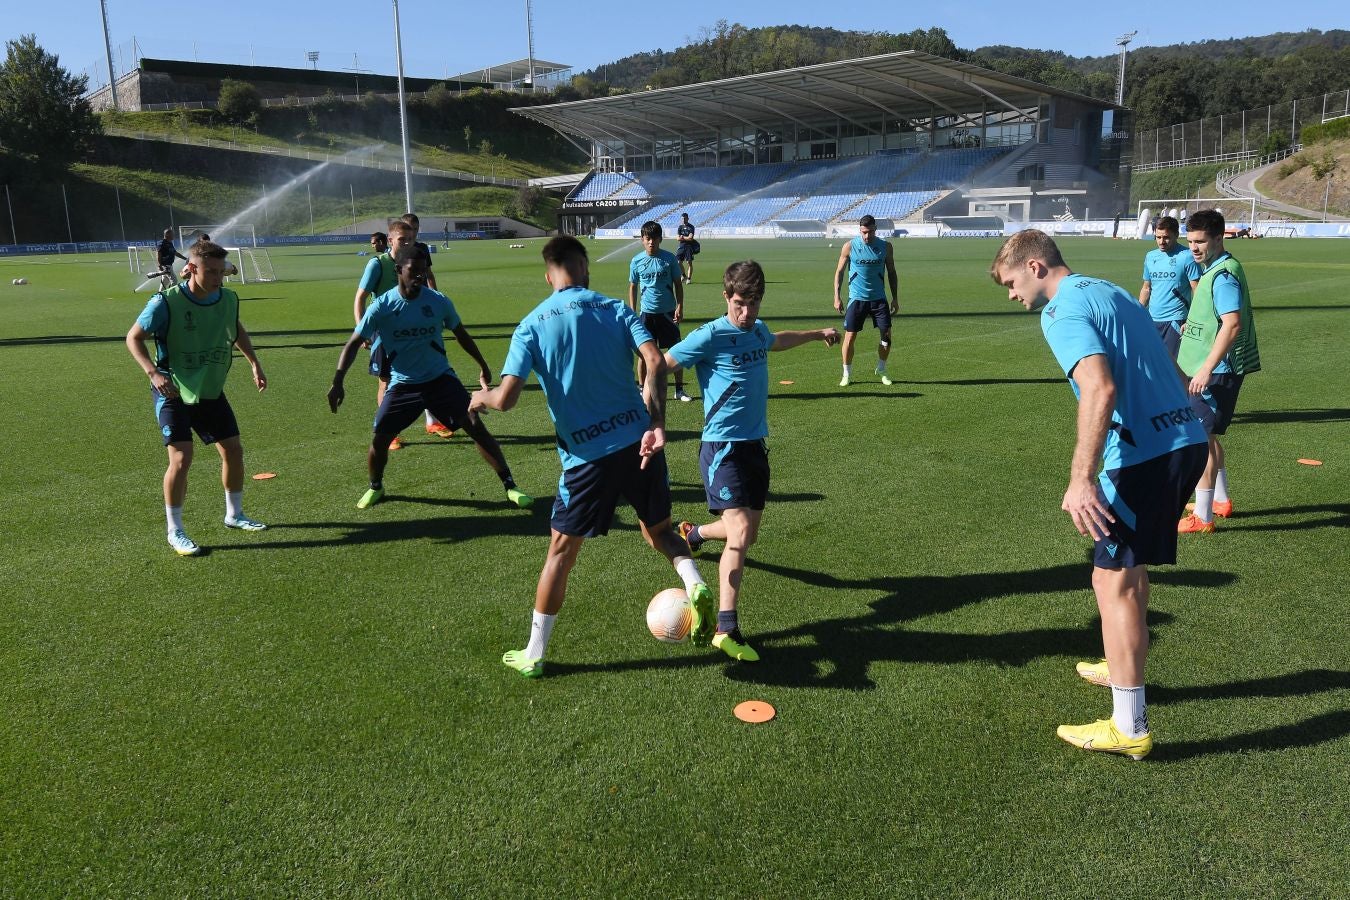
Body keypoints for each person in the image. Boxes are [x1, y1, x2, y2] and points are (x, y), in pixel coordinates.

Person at [990, 229, 1207, 760]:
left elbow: (1099, 387)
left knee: (1113, 583)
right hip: (1185, 440)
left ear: (1036, 267)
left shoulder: (1060, 312)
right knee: (1124, 574)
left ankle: (1129, 726)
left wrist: (1081, 478)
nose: (1013, 295)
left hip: (1144, 458)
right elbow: (1165, 363)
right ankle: (1120, 662)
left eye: (1013, 283)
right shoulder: (1107, 290)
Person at [471, 235, 713, 679]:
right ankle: (694, 582)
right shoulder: (616, 309)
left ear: (549, 275)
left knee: (560, 552)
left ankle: (534, 652)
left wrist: (479, 398)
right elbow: (656, 363)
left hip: (586, 458)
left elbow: (505, 400)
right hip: (641, 444)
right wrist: (656, 423)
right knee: (658, 529)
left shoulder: (531, 324)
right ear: (584, 268)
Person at [667, 261, 839, 662]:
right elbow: (661, 363)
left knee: (743, 534)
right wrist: (645, 407)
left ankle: (693, 537)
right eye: (740, 304)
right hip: (723, 447)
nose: (747, 313)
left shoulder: (757, 330)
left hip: (755, 447)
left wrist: (817, 334)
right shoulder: (710, 335)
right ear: (727, 297)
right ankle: (726, 628)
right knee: (741, 532)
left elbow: (775, 340)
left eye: (754, 304)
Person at [328, 245, 532, 511]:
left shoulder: (437, 301)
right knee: (380, 438)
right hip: (403, 384)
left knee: (473, 423)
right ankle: (375, 487)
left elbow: (460, 333)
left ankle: (510, 486)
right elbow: (354, 342)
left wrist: (481, 363)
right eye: (413, 271)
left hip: (440, 379)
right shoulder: (382, 307)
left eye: (423, 271)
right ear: (399, 270)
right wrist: (338, 380)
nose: (419, 277)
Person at [125, 240, 269, 556]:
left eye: (221, 272)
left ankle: (234, 514)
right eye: (211, 271)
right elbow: (133, 338)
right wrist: (153, 373)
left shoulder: (228, 299)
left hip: (210, 388)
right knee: (181, 458)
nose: (218, 278)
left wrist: (254, 362)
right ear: (191, 268)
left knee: (233, 449)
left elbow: (236, 329)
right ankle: (175, 531)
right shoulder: (166, 302)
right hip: (173, 389)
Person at [1175, 209, 1261, 533]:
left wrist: (1205, 370)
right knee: (1207, 438)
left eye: (1200, 241)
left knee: (1199, 441)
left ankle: (1204, 516)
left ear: (1218, 237)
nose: (1194, 248)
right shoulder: (1213, 268)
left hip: (1214, 373)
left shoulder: (1223, 274)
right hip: (1209, 369)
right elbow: (1217, 319)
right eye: (1191, 241)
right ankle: (1219, 501)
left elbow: (1232, 324)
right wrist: (1193, 327)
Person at [354, 221, 418, 449]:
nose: (407, 243)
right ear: (390, 240)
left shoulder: (412, 262)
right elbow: (360, 297)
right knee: (386, 381)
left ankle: (434, 421)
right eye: (402, 239)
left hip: (410, 330)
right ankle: (386, 430)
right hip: (384, 333)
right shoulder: (378, 264)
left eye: (410, 238)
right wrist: (362, 331)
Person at [399, 212, 454, 440]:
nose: (412, 233)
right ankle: (390, 431)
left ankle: (432, 421)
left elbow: (429, 274)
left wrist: (435, 296)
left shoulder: (421, 249)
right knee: (393, 377)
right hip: (399, 317)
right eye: (408, 229)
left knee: (428, 368)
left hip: (422, 312)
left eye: (414, 229)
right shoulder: (392, 255)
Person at [628, 220, 691, 402]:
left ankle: (679, 390)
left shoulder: (669, 258)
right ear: (642, 239)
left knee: (675, 350)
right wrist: (632, 310)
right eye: (647, 239)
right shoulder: (637, 261)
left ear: (660, 239)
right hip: (647, 314)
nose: (651, 242)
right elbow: (633, 286)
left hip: (668, 312)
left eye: (654, 239)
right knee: (643, 353)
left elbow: (678, 285)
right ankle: (642, 389)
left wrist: (680, 306)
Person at [833, 214, 899, 386]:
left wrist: (895, 298)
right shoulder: (849, 246)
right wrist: (837, 296)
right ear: (860, 231)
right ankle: (846, 373)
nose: (866, 236)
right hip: (857, 299)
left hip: (879, 299)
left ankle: (882, 369)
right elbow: (839, 272)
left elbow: (892, 272)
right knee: (850, 337)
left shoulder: (886, 247)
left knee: (887, 338)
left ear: (876, 229)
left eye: (869, 232)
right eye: (863, 232)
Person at [1138, 216, 1201, 358]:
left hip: (1176, 320)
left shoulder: (1187, 256)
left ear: (1176, 235)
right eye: (1158, 237)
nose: (1161, 242)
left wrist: (1193, 319)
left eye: (1166, 237)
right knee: (1154, 363)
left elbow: (1197, 289)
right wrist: (1139, 312)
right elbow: (1146, 288)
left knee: (1173, 367)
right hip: (1152, 320)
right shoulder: (1150, 256)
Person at [135, 228, 188, 292]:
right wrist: (159, 265)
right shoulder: (162, 243)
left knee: (164, 282)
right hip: (165, 266)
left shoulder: (170, 243)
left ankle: (159, 294)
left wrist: (185, 258)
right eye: (172, 234)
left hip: (169, 265)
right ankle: (170, 294)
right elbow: (158, 253)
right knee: (174, 281)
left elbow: (175, 253)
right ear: (167, 235)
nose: (173, 235)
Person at [675, 212, 699, 283]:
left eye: (685, 218)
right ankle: (683, 275)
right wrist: (685, 237)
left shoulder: (691, 227)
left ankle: (689, 279)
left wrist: (682, 237)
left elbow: (690, 238)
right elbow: (677, 238)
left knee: (689, 262)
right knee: (678, 262)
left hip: (689, 246)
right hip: (681, 246)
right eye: (682, 218)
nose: (683, 220)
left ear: (688, 219)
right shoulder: (680, 227)